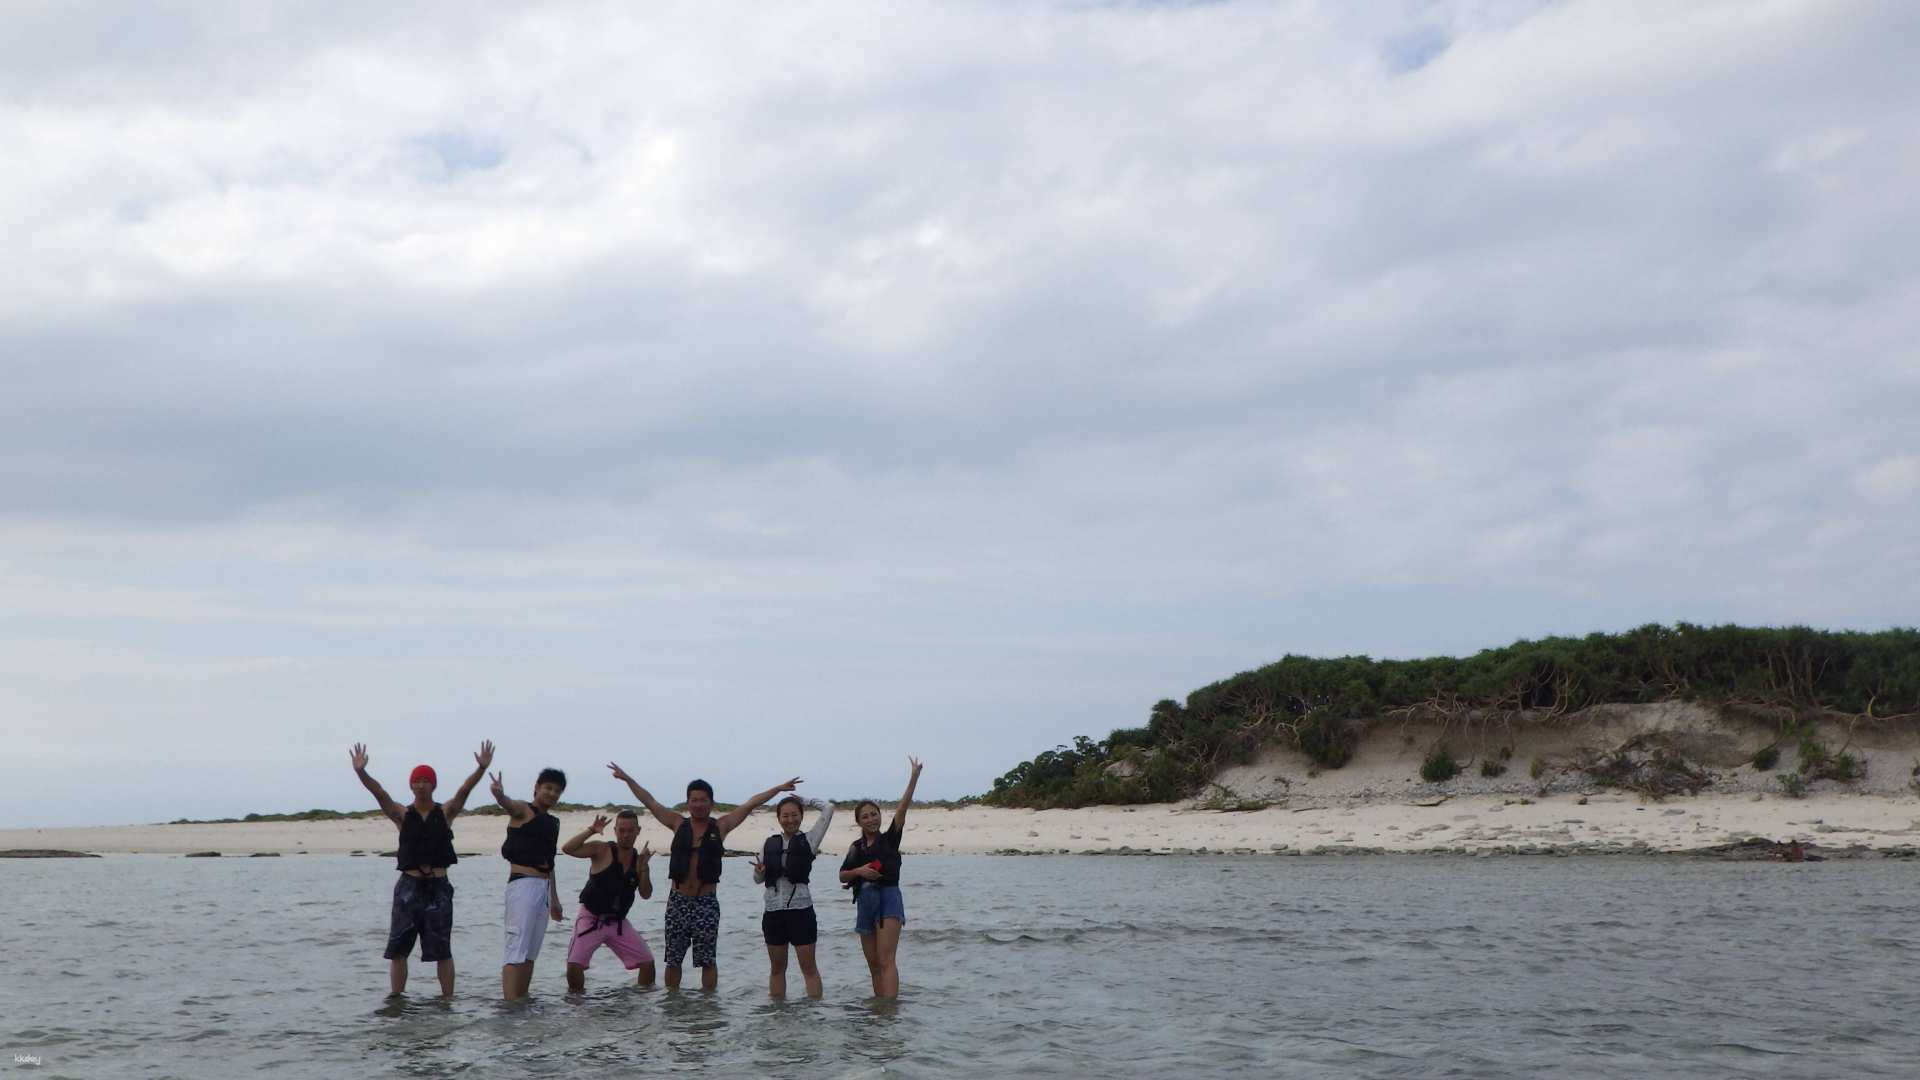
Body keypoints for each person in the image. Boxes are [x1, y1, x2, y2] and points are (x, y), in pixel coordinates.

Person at [607, 762, 799, 991]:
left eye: (703, 800)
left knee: (708, 961)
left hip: (706, 903)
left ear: (711, 803)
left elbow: (750, 804)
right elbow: (649, 801)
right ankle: (673, 1006)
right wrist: (628, 779)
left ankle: (707, 1011)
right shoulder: (678, 823)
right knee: (673, 959)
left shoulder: (722, 826)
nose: (698, 804)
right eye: (694, 800)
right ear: (688, 803)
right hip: (677, 902)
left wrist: (777, 789)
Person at [348, 740, 493, 996]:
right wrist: (361, 772)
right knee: (399, 949)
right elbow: (380, 793)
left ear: (433, 785)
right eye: (417, 781)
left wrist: (481, 769)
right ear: (411, 785)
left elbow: (464, 791)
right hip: (409, 887)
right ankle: (397, 999)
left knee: (442, 950)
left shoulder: (445, 813)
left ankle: (447, 1000)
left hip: (438, 888)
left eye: (426, 780)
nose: (421, 785)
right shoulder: (403, 815)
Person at [839, 756, 921, 999]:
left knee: (886, 959)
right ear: (858, 821)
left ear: (880, 816)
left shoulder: (890, 838)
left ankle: (890, 1010)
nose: (871, 819)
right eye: (865, 816)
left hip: (888, 898)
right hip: (865, 902)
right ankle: (879, 1009)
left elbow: (902, 809)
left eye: (874, 814)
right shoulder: (856, 848)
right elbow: (842, 876)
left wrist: (914, 777)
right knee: (873, 963)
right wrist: (859, 871)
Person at [490, 766, 568, 1000]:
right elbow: (508, 804)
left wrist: (554, 899)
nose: (552, 794)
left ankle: (521, 1002)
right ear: (536, 788)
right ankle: (510, 1007)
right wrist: (499, 795)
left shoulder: (552, 822)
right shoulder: (524, 810)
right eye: (548, 788)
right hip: (522, 886)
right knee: (516, 950)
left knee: (530, 953)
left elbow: (550, 863)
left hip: (542, 889)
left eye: (557, 791)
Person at [560, 810, 656, 991]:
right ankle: (576, 1004)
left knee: (647, 963)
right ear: (615, 830)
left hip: (618, 922)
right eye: (622, 830)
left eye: (630, 830)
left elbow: (645, 894)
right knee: (574, 964)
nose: (626, 835)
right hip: (591, 918)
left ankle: (643, 1005)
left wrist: (644, 869)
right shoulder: (602, 849)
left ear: (638, 831)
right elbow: (568, 849)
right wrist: (591, 830)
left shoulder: (639, 859)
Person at [751, 796, 834, 997]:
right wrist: (760, 871)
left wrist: (805, 800)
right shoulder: (769, 843)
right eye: (785, 815)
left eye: (794, 815)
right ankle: (778, 1017)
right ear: (778, 818)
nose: (790, 820)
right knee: (777, 969)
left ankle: (813, 1017)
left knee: (809, 968)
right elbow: (757, 879)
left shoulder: (810, 839)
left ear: (801, 816)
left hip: (801, 911)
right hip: (773, 913)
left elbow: (829, 808)